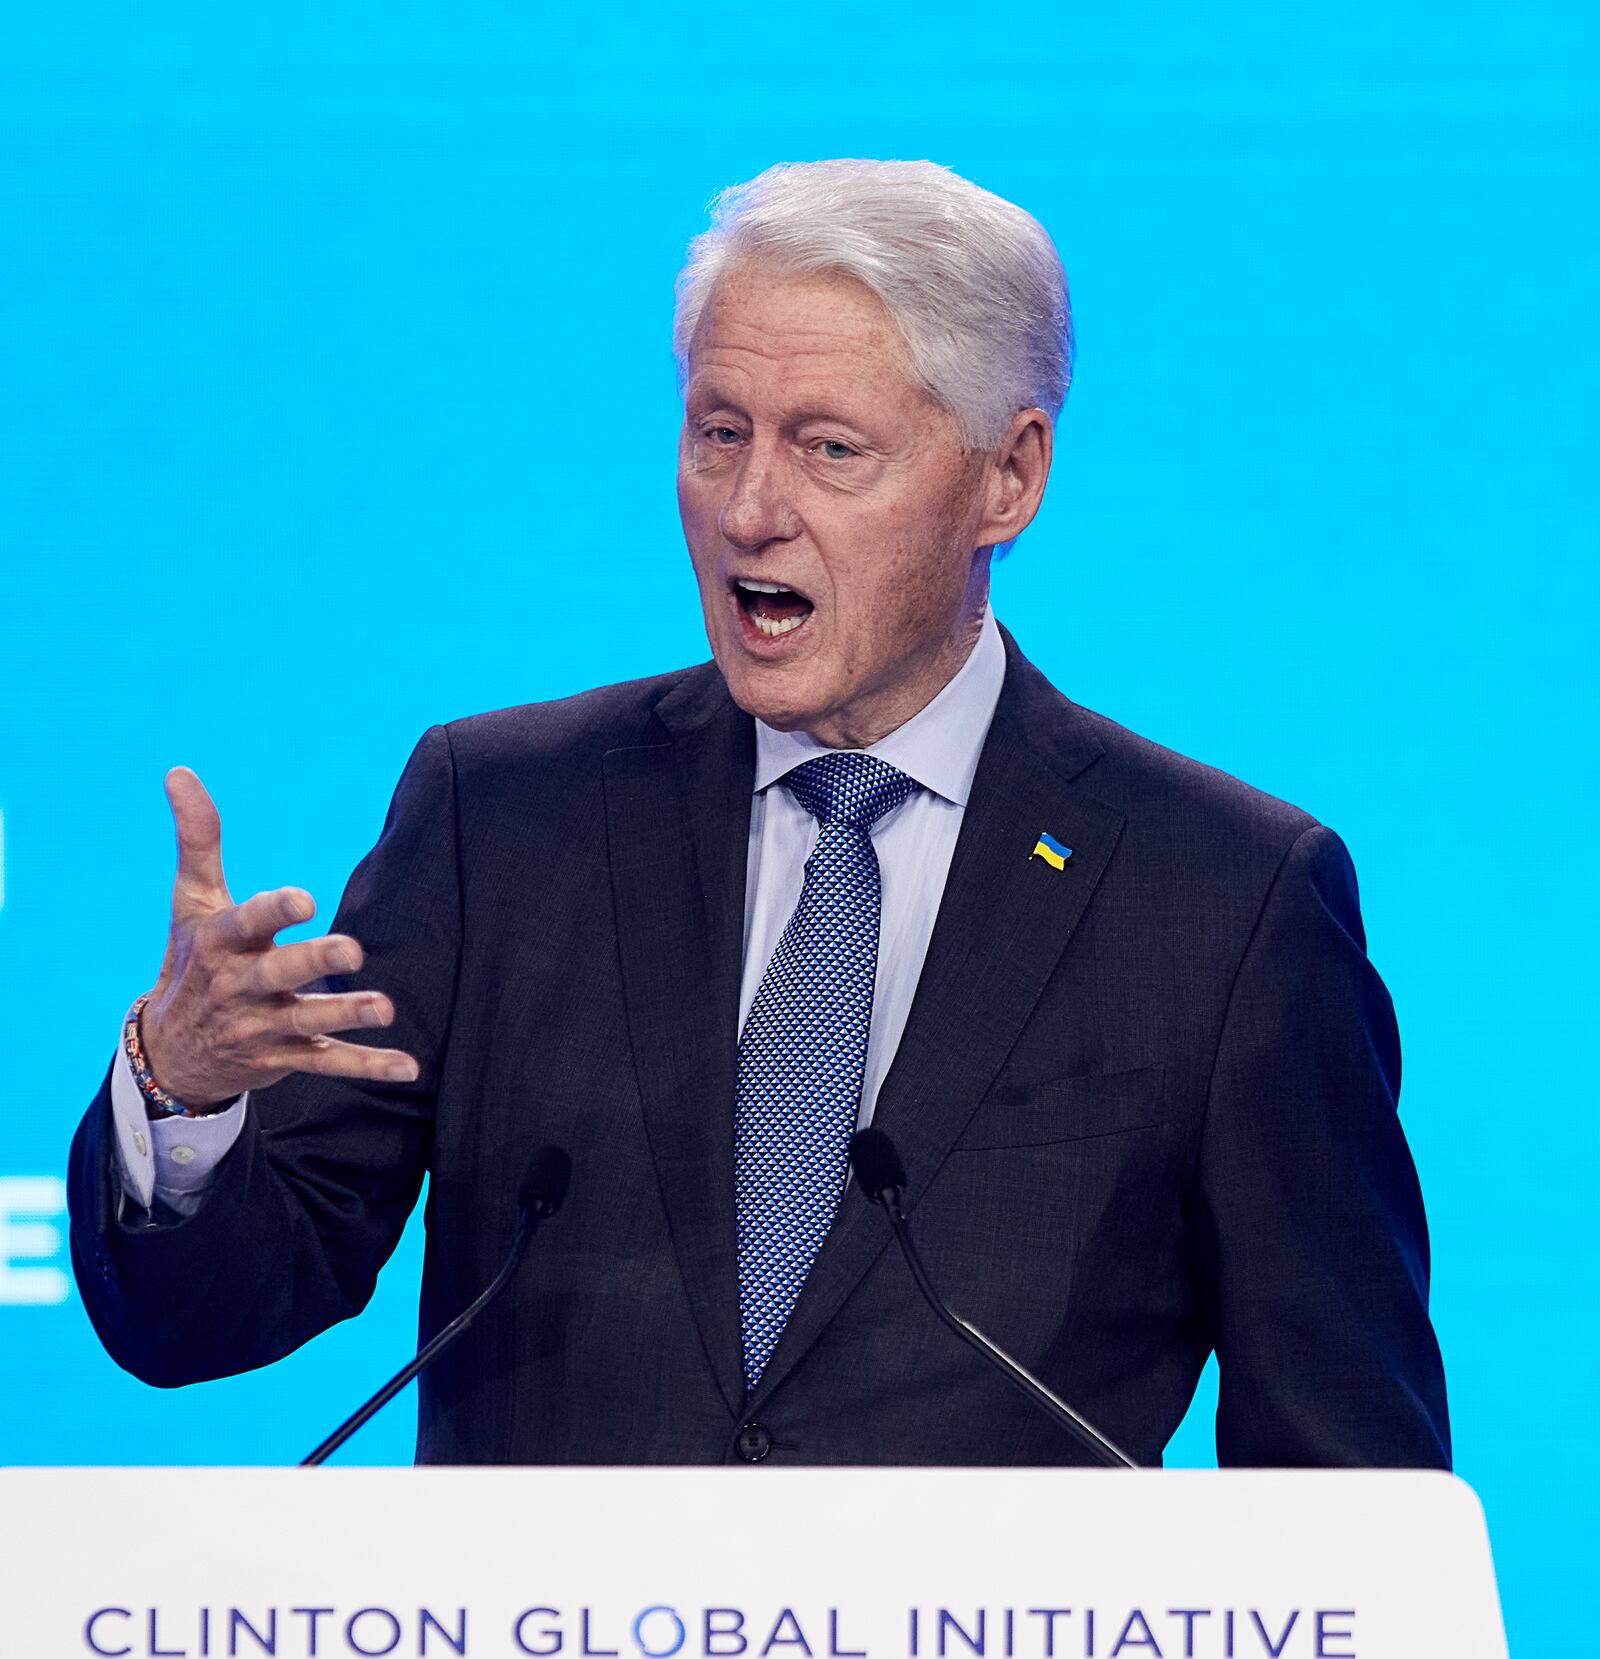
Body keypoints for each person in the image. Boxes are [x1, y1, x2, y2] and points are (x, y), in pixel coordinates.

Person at [67, 159, 1449, 1471]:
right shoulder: (503, 819)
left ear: (1007, 477)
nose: (749, 510)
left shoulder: (1226, 901)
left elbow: (1347, 1478)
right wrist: (181, 1089)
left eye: (829, 448)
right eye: (717, 433)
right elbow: (209, 1318)